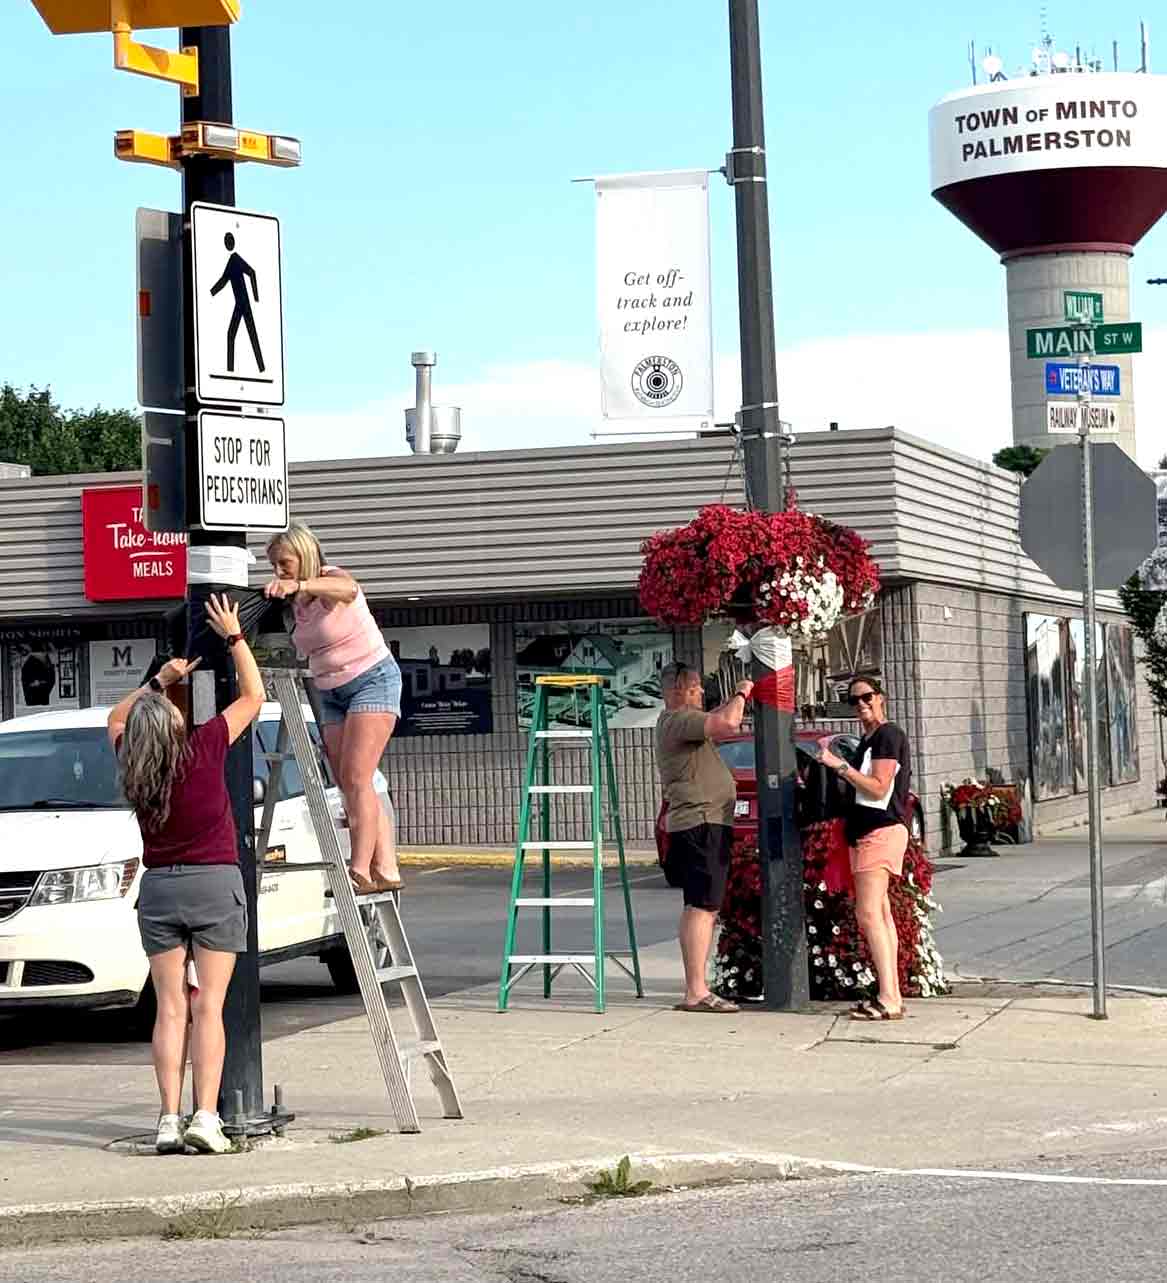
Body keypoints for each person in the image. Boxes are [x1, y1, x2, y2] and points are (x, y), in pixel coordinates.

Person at [107, 594, 264, 1154]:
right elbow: (254, 696)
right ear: (174, 727)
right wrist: (234, 637)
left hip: (160, 889)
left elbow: (118, 717)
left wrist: (157, 679)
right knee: (209, 1008)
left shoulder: (134, 766)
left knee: (171, 1008)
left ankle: (167, 1119)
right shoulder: (203, 748)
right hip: (214, 883)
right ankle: (206, 1117)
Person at [264, 521, 402, 894]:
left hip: (371, 680)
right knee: (350, 782)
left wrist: (301, 583)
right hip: (330, 690)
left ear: (304, 555)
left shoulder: (329, 579)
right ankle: (386, 867)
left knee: (358, 777)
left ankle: (357, 869)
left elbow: (349, 589)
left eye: (284, 563)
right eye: (274, 565)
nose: (279, 572)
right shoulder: (295, 604)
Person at [655, 662, 754, 1014]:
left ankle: (696, 987)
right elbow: (728, 722)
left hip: (705, 823)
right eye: (695, 686)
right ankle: (696, 991)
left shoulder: (684, 723)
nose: (701, 692)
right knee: (703, 906)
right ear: (678, 689)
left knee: (699, 905)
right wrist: (742, 690)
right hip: (701, 823)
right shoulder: (678, 720)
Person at [819, 676, 912, 1022]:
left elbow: (877, 788)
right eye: (853, 700)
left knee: (869, 914)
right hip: (866, 832)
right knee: (881, 915)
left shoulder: (889, 735)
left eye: (866, 697)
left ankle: (888, 998)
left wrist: (838, 766)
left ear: (881, 698)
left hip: (881, 831)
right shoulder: (868, 740)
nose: (860, 704)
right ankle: (892, 995)